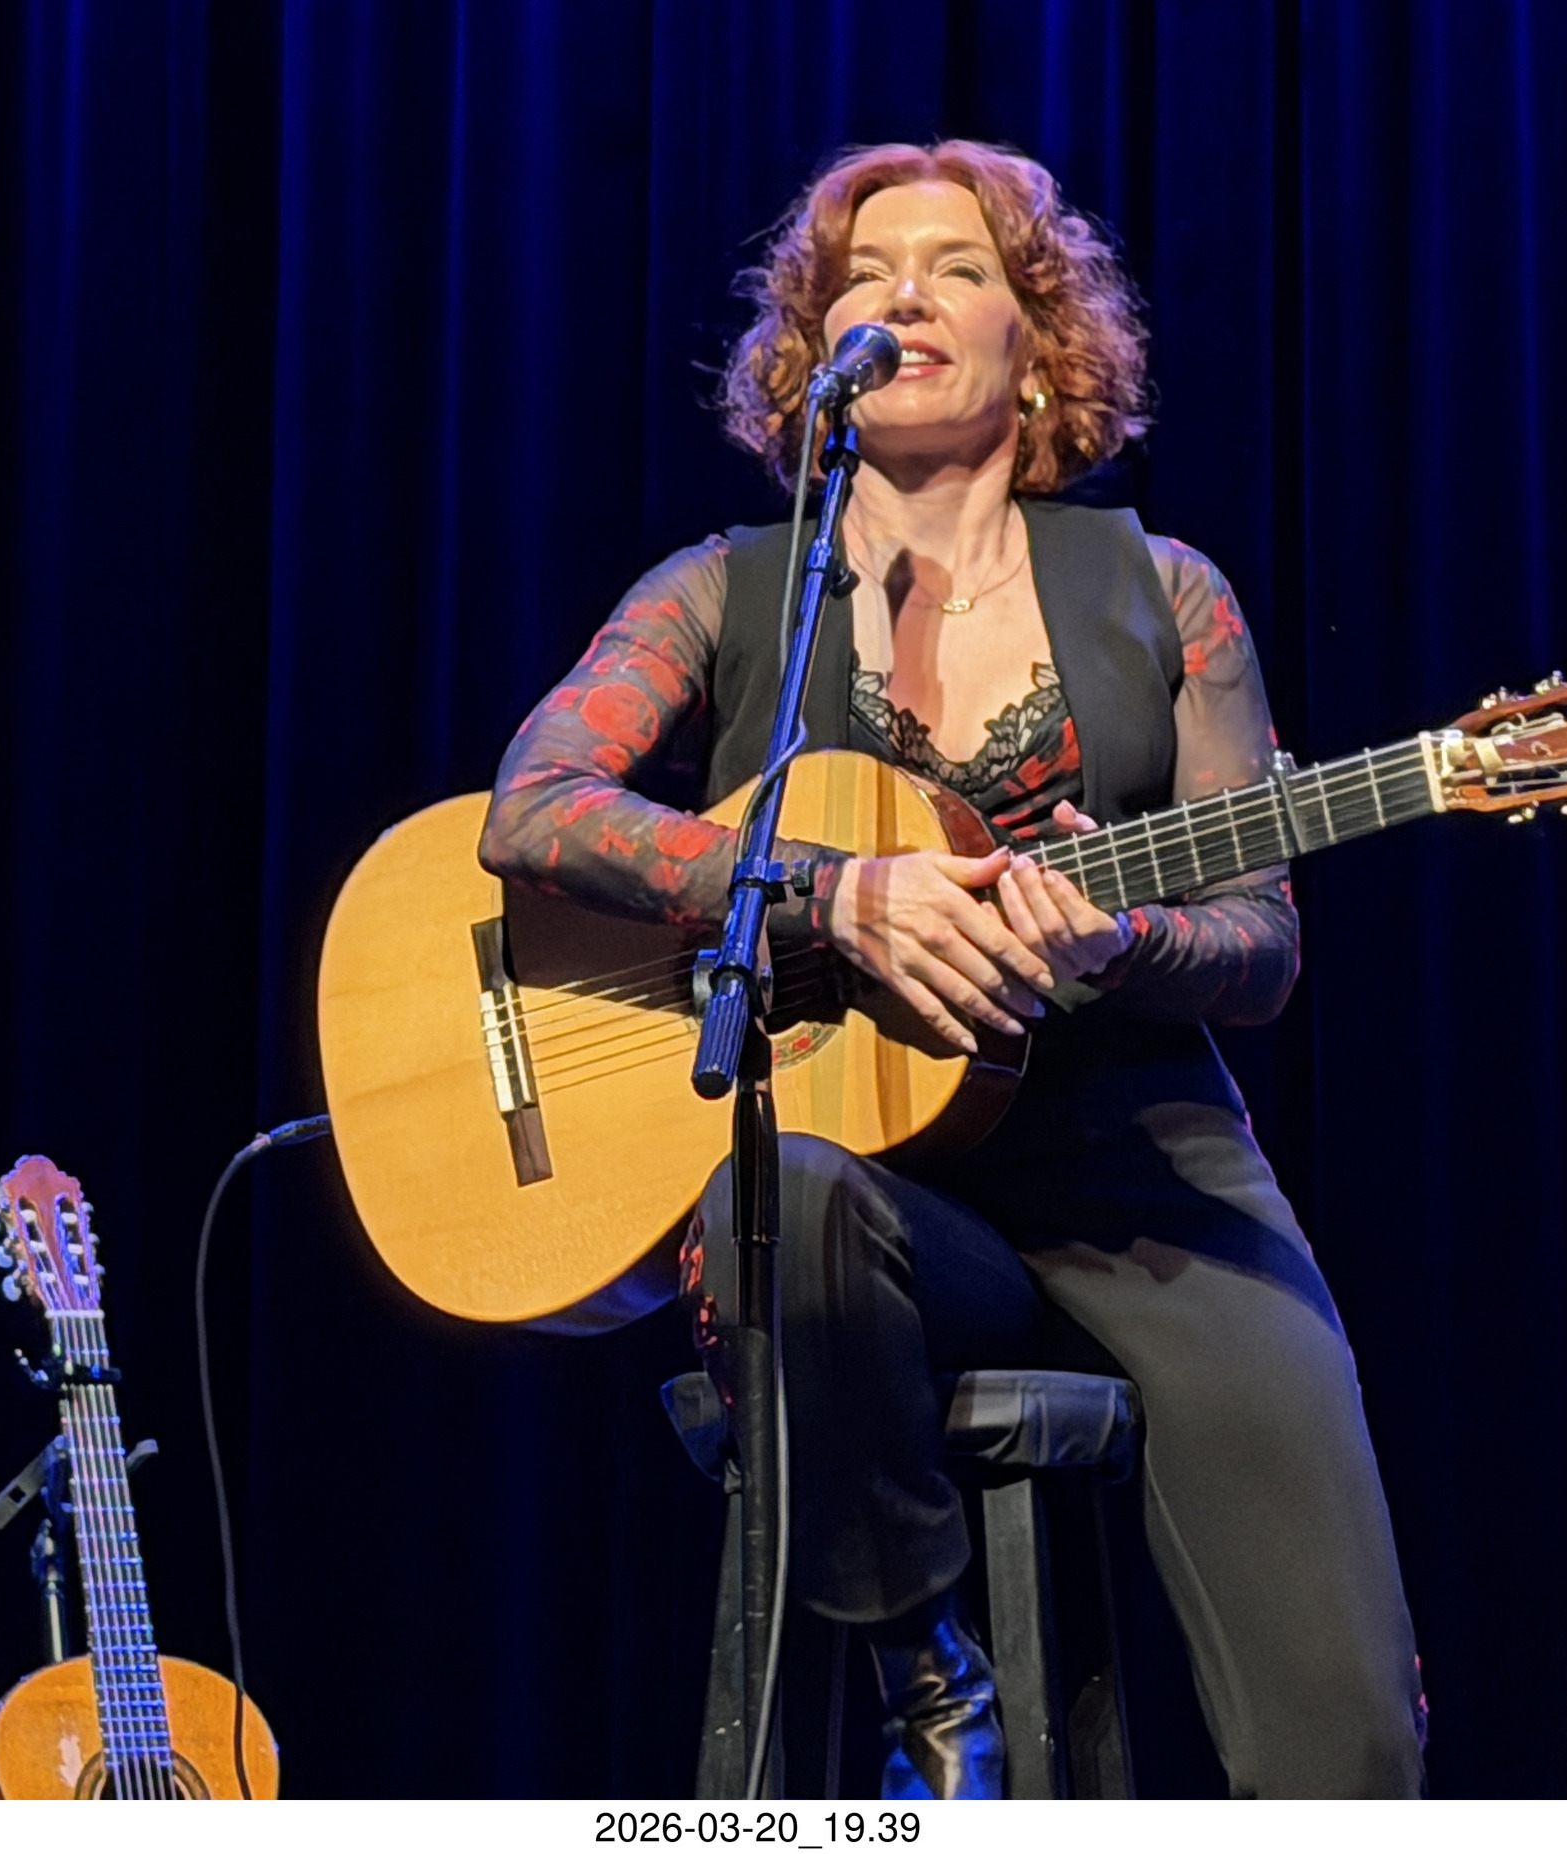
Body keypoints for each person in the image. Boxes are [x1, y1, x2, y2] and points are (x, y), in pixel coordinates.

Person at [478, 141, 1424, 1800]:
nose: (906, 297)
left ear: (1038, 345)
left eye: (959, 269)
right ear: (816, 349)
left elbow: (1261, 943)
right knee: (774, 1190)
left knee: (1347, 1731)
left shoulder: (1167, 595)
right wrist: (834, 894)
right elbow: (533, 808)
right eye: (867, 275)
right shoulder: (726, 591)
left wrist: (1118, 936)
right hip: (877, 1196)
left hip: (1144, 1178)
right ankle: (933, 1683)